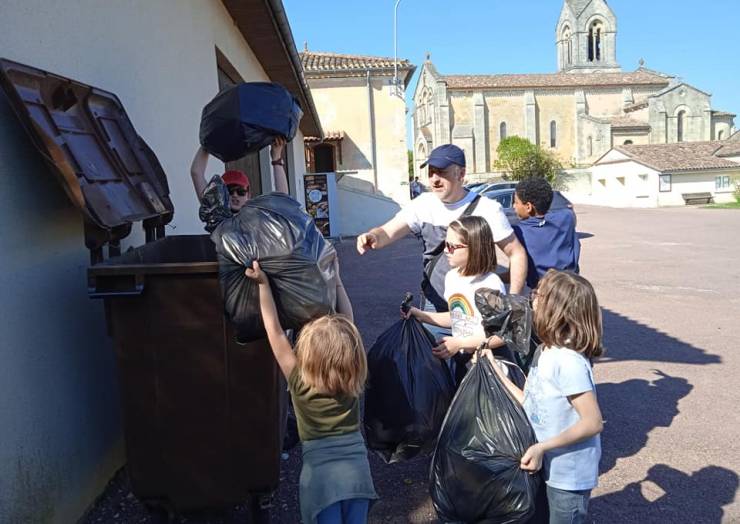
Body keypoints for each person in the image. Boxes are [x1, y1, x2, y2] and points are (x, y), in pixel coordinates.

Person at [244, 261, 378, 524]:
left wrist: (263, 285)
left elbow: (275, 332)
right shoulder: (352, 377)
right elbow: (347, 319)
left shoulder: (300, 381)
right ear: (351, 353)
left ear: (306, 354)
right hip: (358, 475)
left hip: (320, 480)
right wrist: (336, 279)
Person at [357, 144, 527, 337]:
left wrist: (514, 300)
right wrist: (372, 237)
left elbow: (516, 252)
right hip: (434, 305)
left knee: (479, 363)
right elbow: (388, 231)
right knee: (434, 364)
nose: (434, 179)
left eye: (442, 172)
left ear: (461, 174)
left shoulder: (488, 209)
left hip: (479, 309)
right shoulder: (422, 204)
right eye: (431, 172)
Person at [191, 137, 354, 320]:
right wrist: (207, 141)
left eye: (240, 191)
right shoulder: (219, 221)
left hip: (275, 301)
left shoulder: (258, 220)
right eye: (229, 191)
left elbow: (284, 202)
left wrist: (276, 159)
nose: (235, 196)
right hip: (244, 306)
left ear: (249, 194)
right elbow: (196, 173)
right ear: (221, 195)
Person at [488, 270, 604, 524]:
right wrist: (497, 374)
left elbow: (592, 422)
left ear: (557, 309)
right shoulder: (545, 350)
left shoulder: (568, 362)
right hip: (543, 464)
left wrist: (543, 447)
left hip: (567, 475)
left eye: (538, 295)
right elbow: (532, 402)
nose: (532, 299)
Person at [403, 216, 515, 384]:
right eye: (444, 244)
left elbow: (501, 335)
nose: (446, 251)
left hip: (491, 366)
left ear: (475, 248)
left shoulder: (490, 284)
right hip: (464, 362)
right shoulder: (452, 277)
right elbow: (458, 316)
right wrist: (420, 315)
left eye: (452, 246)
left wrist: (460, 343)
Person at [512, 177, 580, 291]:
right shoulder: (567, 218)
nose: (513, 206)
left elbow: (515, 272)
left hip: (544, 297)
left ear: (528, 207)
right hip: (571, 290)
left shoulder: (519, 232)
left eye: (516, 202)